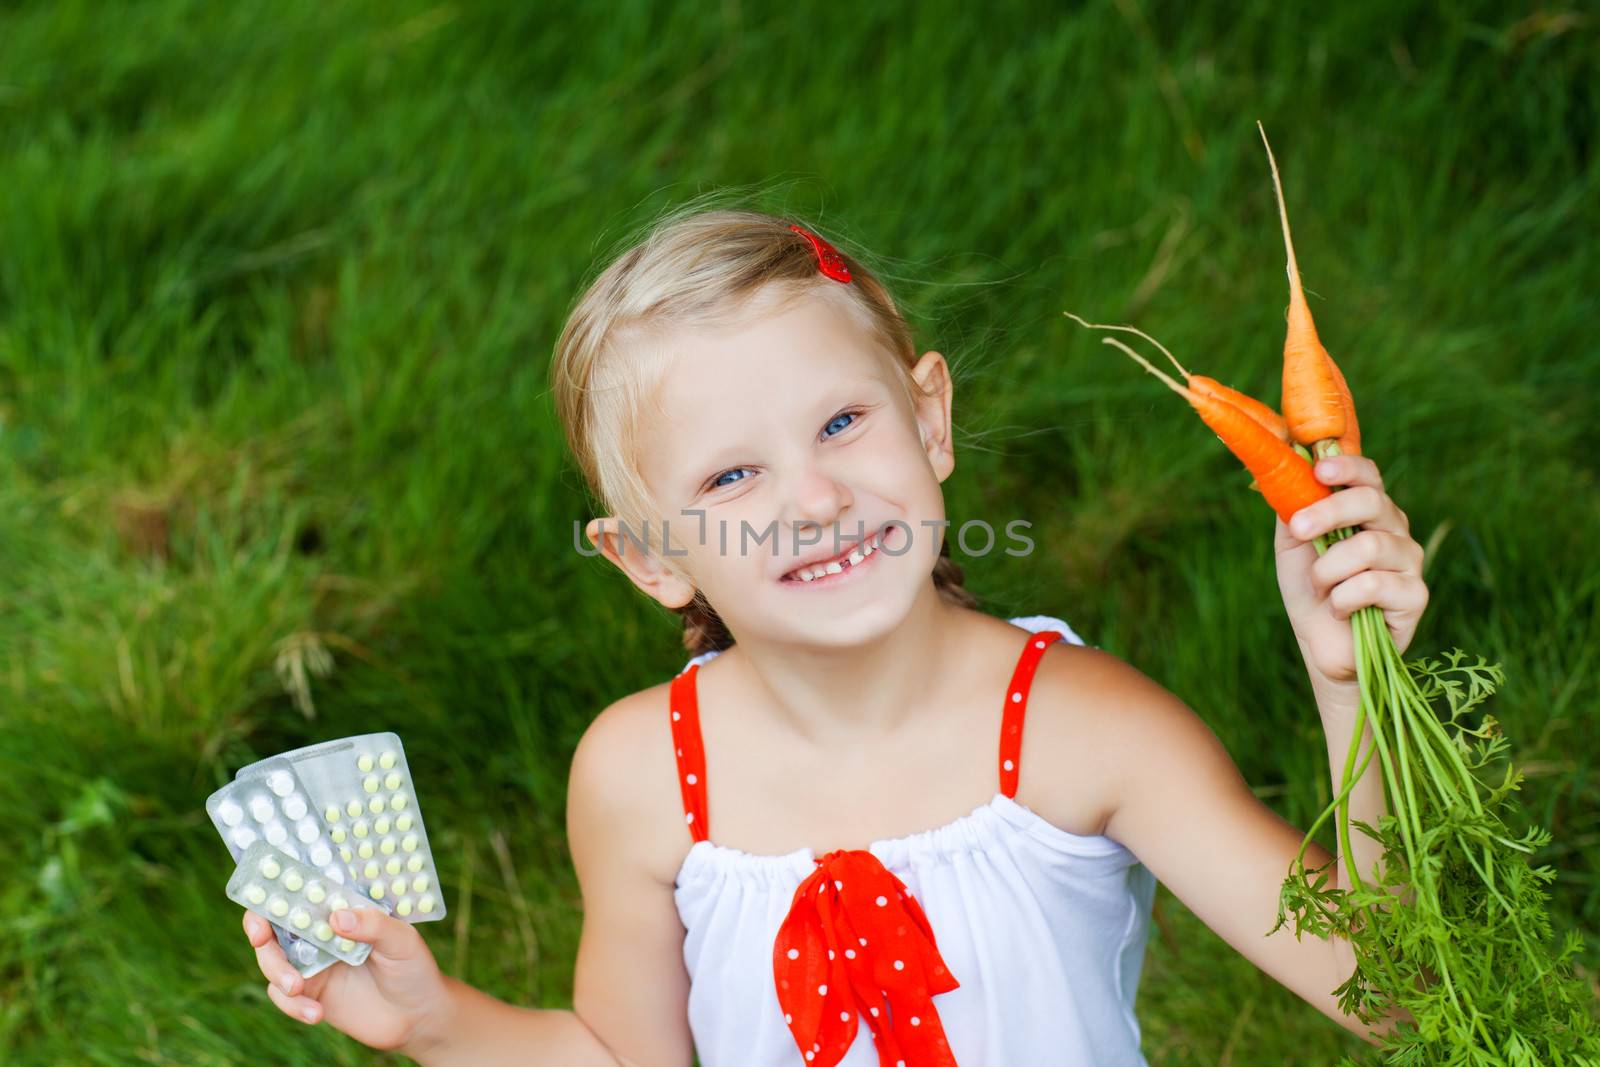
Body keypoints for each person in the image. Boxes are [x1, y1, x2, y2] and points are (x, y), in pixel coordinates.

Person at [242, 207, 1429, 1065]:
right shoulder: (644, 772)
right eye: (732, 472)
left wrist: (1349, 686)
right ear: (651, 556)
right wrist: (435, 1020)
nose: (812, 499)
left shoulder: (1082, 729)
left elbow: (1394, 995)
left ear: (931, 418)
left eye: (844, 421)